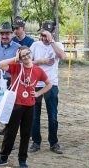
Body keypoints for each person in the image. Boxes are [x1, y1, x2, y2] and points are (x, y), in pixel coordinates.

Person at [0, 46, 52, 168]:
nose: (26, 57)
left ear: (31, 53)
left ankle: (22, 160)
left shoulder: (38, 70)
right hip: (15, 104)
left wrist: (38, 93)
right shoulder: (17, 67)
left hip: (29, 105)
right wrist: (15, 58)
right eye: (23, 56)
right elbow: (0, 64)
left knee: (25, 134)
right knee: (10, 132)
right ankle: (3, 158)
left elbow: (49, 84)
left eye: (27, 54)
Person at [29, 20, 66, 154]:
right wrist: (41, 61)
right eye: (43, 35)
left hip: (51, 84)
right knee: (34, 115)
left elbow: (62, 56)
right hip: (36, 84)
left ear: (52, 34)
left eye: (46, 35)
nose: (44, 38)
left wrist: (51, 42)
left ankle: (53, 142)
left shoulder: (57, 45)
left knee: (53, 115)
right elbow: (27, 62)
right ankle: (36, 142)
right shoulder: (35, 45)